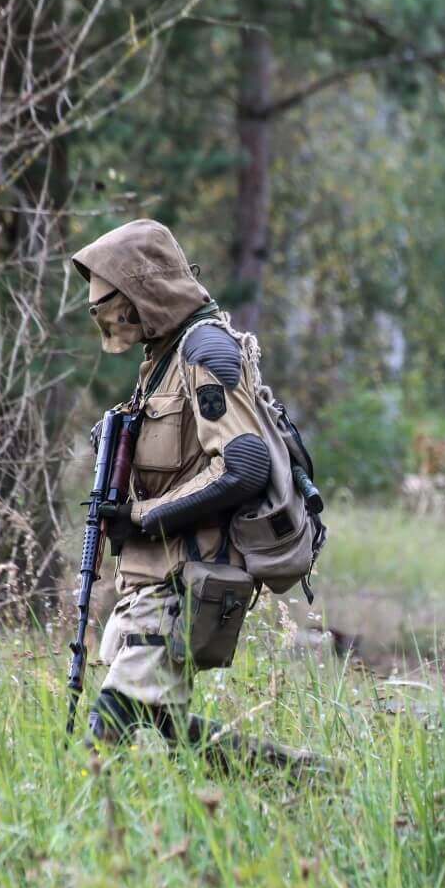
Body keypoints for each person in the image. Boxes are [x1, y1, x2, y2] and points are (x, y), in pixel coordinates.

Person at [71, 218, 317, 771]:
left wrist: (142, 516)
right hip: (158, 574)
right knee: (163, 723)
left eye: (113, 301)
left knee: (111, 720)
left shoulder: (203, 350)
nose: (106, 316)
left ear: (141, 293)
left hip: (190, 575)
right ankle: (300, 778)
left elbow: (245, 465)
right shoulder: (163, 357)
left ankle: (77, 810)